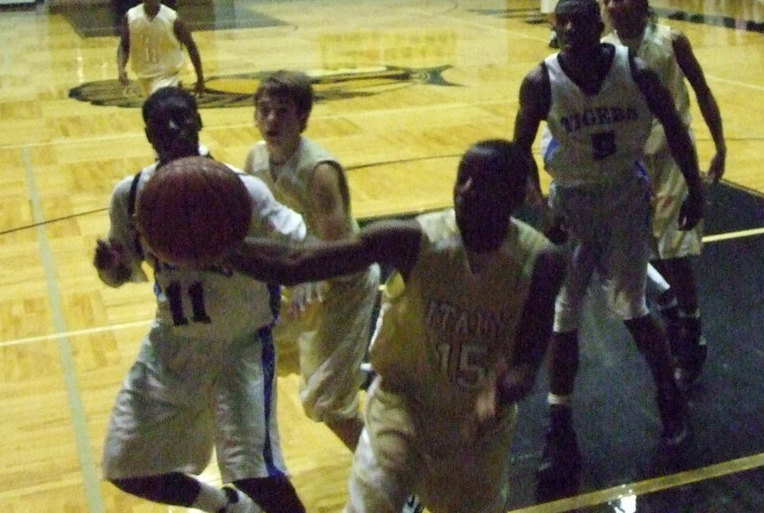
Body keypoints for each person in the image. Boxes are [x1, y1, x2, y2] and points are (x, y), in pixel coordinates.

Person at [230, 140, 568, 513]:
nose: (466, 190)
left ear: (513, 195)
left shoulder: (541, 261)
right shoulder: (415, 240)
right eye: (462, 178)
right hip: (403, 404)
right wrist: (218, 250)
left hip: (479, 428)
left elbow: (527, 363)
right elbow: (298, 261)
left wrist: (500, 393)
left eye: (482, 183)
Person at [513, 0, 705, 491]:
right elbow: (519, 158)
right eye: (563, 24)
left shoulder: (635, 69)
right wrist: (539, 208)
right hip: (571, 202)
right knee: (564, 315)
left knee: (632, 305)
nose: (572, 31)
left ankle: (669, 397)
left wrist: (695, 188)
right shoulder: (540, 80)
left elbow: (676, 128)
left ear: (598, 26)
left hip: (624, 195)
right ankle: (559, 428)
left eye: (581, 22)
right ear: (555, 30)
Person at [93, 87, 308, 513]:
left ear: (198, 121)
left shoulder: (240, 191)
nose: (174, 129)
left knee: (256, 473)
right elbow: (121, 274)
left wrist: (230, 248)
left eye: (182, 118)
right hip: (172, 345)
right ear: (148, 134)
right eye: (161, 124)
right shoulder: (132, 193)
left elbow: (298, 249)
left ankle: (249, 499)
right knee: (125, 465)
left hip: (240, 346)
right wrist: (109, 266)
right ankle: (227, 507)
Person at [244, 71, 381, 451]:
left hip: (342, 285)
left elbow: (337, 251)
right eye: (264, 110)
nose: (271, 120)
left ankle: (399, 483)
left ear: (302, 119)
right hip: (299, 278)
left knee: (327, 405)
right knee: (252, 354)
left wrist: (308, 278)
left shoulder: (318, 171)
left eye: (282, 112)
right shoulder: (255, 160)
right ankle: (356, 371)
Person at [601, 0, 726, 388]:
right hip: (631, 157)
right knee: (636, 248)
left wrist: (719, 145)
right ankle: (671, 303)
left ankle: (692, 332)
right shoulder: (606, 50)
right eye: (607, 0)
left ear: (639, 1)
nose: (612, 5)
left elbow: (703, 91)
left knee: (675, 248)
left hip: (673, 152)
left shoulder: (672, 40)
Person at [117, 0, 205, 96]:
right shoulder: (130, 17)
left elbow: (191, 46)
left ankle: (176, 88)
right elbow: (124, 45)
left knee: (160, 105)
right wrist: (121, 68)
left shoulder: (172, 18)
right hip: (143, 74)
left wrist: (200, 77)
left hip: (168, 75)